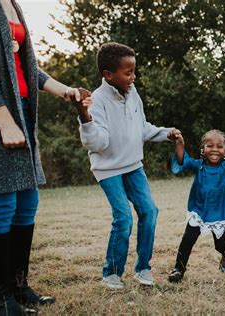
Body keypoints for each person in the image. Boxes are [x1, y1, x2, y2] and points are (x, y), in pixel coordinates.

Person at [0, 0, 91, 314]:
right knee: (2, 202)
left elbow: (25, 64)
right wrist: (4, 122)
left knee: (26, 203)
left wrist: (65, 90)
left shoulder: (12, 5)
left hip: (21, 111)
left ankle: (18, 287)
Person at [75, 42, 180, 289]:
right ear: (108, 75)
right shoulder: (97, 100)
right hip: (108, 169)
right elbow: (97, 143)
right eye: (128, 72)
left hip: (133, 166)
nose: (133, 77)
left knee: (149, 211)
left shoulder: (133, 93)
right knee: (123, 218)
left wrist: (166, 133)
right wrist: (85, 117)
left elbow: (141, 127)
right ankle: (111, 273)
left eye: (134, 71)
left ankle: (143, 268)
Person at [167, 129, 225, 283]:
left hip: (220, 212)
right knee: (187, 239)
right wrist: (180, 143)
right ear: (203, 149)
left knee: (221, 244)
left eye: (220, 146)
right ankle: (179, 269)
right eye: (210, 145)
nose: (215, 149)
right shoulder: (198, 165)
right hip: (199, 210)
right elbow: (182, 160)